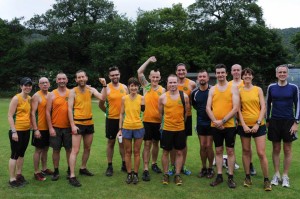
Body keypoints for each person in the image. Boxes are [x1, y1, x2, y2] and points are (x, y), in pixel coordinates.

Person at [68, 70, 107, 187]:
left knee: (87, 148)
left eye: (83, 77)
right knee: (75, 150)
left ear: (86, 78)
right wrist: (72, 125)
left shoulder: (91, 89)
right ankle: (72, 175)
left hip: (89, 123)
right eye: (78, 77)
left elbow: (103, 97)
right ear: (76, 80)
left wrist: (104, 85)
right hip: (78, 123)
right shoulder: (73, 92)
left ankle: (83, 168)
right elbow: (69, 109)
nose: (81, 79)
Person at [238, 68, 272, 191]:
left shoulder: (258, 89)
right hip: (244, 126)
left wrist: (258, 123)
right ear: (242, 77)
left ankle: (266, 180)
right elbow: (237, 110)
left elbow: (263, 107)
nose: (247, 76)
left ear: (252, 77)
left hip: (259, 125)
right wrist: (244, 125)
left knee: (261, 153)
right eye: (245, 75)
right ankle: (247, 177)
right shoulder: (239, 91)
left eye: (249, 74)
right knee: (246, 151)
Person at [206, 64, 239, 188]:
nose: (220, 75)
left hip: (229, 125)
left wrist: (223, 121)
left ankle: (230, 177)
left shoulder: (233, 87)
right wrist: (215, 122)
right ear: (216, 74)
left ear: (226, 74)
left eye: (222, 72)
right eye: (218, 73)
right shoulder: (212, 89)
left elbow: (235, 108)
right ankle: (219, 176)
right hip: (215, 126)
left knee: (230, 150)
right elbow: (208, 108)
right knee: (218, 150)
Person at [266, 65, 299, 188]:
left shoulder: (293, 88)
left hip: (289, 122)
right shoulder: (271, 87)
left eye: (284, 72)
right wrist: (267, 120)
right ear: (276, 74)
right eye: (280, 72)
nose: (282, 74)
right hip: (274, 121)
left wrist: (296, 122)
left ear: (287, 74)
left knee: (287, 149)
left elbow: (298, 104)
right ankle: (276, 174)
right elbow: (267, 104)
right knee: (276, 149)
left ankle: (285, 175)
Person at [137, 56, 165, 181]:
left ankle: (154, 164)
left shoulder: (163, 90)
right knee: (147, 144)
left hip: (158, 122)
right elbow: (139, 72)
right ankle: (146, 169)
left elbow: (165, 108)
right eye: (153, 77)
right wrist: (148, 60)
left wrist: (163, 122)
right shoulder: (146, 86)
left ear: (160, 78)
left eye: (157, 77)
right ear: (149, 77)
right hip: (147, 121)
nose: (154, 79)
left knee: (156, 143)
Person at [159, 74, 189, 186]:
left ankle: (177, 175)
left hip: (180, 129)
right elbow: (160, 113)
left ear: (177, 83)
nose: (172, 84)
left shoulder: (184, 96)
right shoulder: (162, 97)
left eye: (174, 82)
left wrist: (180, 123)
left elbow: (186, 113)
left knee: (180, 152)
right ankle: (166, 174)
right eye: (170, 82)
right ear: (167, 83)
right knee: (166, 152)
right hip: (167, 129)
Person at [99, 66, 128, 177]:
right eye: (112, 75)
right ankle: (110, 166)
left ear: (119, 74)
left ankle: (124, 164)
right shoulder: (106, 88)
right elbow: (101, 104)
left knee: (122, 143)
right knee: (111, 142)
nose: (115, 76)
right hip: (111, 120)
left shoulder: (124, 87)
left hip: (123, 120)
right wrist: (107, 113)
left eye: (116, 74)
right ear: (109, 76)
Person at [168, 63, 196, 176]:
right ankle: (172, 166)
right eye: (179, 70)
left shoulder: (192, 84)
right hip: (172, 117)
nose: (181, 72)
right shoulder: (171, 83)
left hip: (186, 117)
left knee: (183, 142)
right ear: (176, 72)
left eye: (183, 70)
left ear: (186, 71)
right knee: (172, 144)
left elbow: (194, 99)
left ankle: (182, 165)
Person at [117, 77, 145, 185]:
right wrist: (120, 129)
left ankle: (136, 174)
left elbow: (144, 112)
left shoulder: (142, 98)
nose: (133, 88)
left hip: (138, 127)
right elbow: (121, 114)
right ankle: (129, 174)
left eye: (135, 86)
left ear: (138, 87)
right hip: (127, 127)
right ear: (128, 87)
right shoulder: (124, 98)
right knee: (127, 152)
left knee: (137, 152)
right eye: (131, 86)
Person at [229, 64, 255, 174]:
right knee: (231, 142)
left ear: (241, 72)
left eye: (238, 70)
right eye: (234, 70)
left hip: (243, 119)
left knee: (247, 145)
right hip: (231, 119)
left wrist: (240, 120)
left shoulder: (245, 82)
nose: (236, 72)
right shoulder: (228, 84)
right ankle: (232, 163)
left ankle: (250, 164)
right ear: (231, 72)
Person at [46, 72, 72, 181]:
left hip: (69, 127)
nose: (61, 81)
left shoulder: (71, 93)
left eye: (63, 79)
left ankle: (70, 170)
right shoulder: (51, 94)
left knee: (69, 150)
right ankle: (56, 171)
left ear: (67, 80)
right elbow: (47, 112)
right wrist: (51, 128)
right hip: (55, 127)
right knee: (56, 150)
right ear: (56, 81)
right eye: (59, 79)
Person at [8, 77, 33, 187]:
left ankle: (19, 175)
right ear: (21, 86)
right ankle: (12, 179)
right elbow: (9, 115)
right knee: (14, 155)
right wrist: (14, 132)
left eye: (29, 85)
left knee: (21, 154)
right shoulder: (16, 98)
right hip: (16, 131)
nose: (28, 87)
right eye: (25, 85)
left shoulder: (29, 98)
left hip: (26, 130)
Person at [191, 70, 215, 179]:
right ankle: (204, 167)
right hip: (200, 123)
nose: (202, 78)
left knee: (209, 146)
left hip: (211, 122)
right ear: (197, 79)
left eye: (204, 76)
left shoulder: (213, 90)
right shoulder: (194, 93)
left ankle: (210, 168)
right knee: (202, 146)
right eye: (200, 76)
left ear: (208, 78)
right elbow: (195, 106)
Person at [31, 77, 53, 181]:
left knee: (46, 149)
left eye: (46, 82)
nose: (44, 84)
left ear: (49, 84)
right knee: (38, 150)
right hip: (40, 128)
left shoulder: (51, 94)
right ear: (39, 85)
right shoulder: (36, 96)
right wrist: (35, 129)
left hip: (49, 128)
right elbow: (32, 113)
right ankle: (36, 172)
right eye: (42, 83)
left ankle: (44, 169)